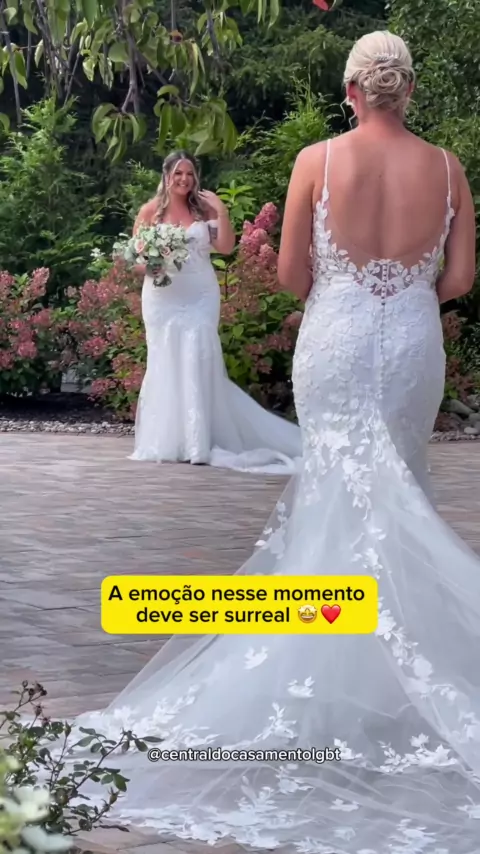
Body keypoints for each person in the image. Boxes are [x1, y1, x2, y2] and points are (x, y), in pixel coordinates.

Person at [68, 32, 480, 853]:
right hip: (411, 347)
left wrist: (351, 292)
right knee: (398, 490)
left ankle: (331, 680)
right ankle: (391, 679)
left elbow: (293, 275)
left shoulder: (316, 160)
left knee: (336, 499)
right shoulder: (447, 168)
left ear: (352, 90)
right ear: (407, 89)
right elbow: (461, 279)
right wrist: (402, 296)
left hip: (334, 344)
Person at [128, 150, 302, 474]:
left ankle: (199, 442)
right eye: (178, 173)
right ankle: (169, 440)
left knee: (198, 356)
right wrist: (152, 266)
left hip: (200, 294)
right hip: (163, 296)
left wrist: (221, 210)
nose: (184, 180)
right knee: (166, 358)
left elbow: (225, 247)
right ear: (167, 176)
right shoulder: (150, 211)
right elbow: (134, 260)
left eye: (190, 174)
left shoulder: (204, 208)